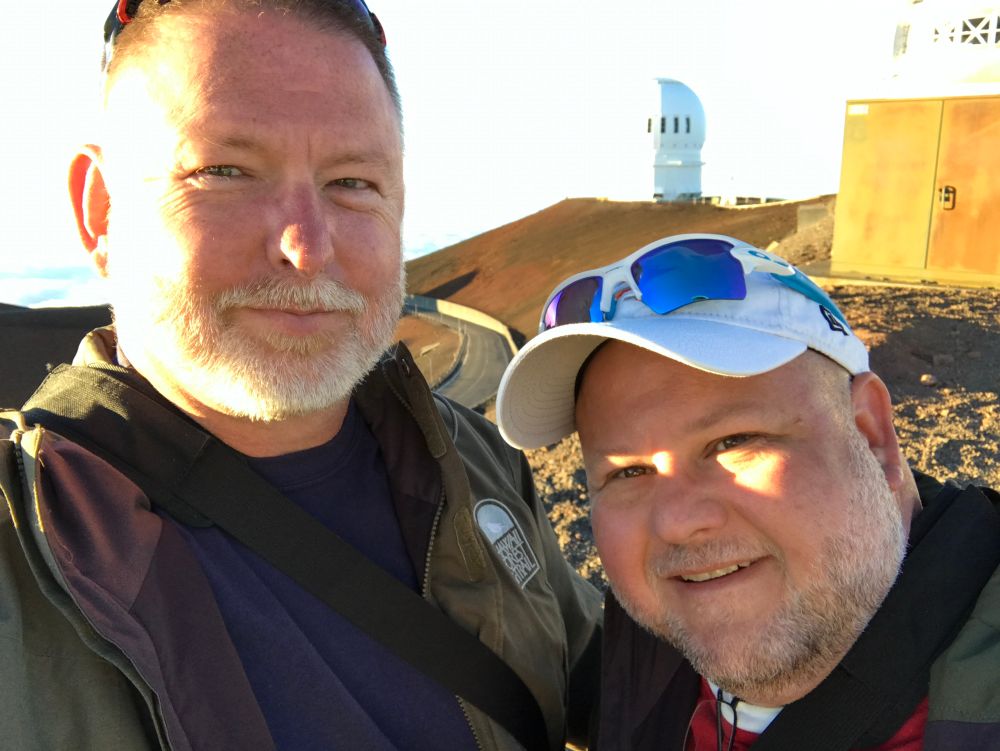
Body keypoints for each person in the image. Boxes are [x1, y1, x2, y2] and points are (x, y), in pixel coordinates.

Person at [0, 2, 602, 750]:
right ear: (101, 211)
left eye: (352, 181)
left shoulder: (466, 461)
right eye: (224, 171)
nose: (307, 246)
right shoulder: (25, 546)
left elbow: (623, 689)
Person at [496, 234, 1000, 751]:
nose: (675, 521)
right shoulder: (640, 642)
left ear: (872, 436)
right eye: (628, 472)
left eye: (732, 442)